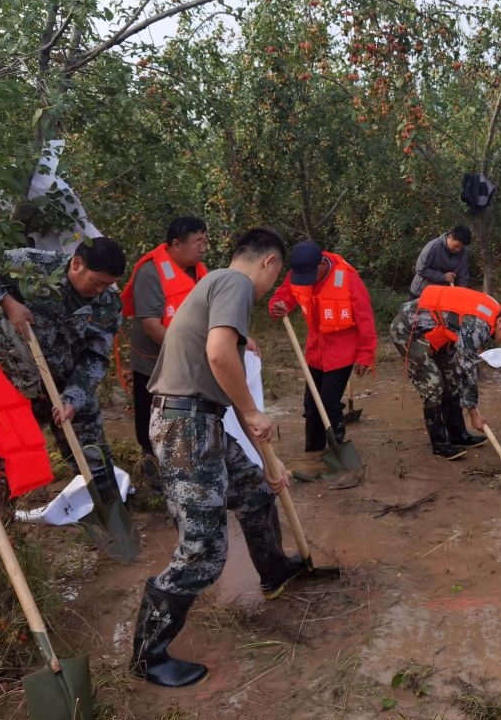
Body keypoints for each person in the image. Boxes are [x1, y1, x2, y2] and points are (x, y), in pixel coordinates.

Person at [130, 227, 300, 688]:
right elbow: (221, 355)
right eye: (276, 274)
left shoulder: (215, 285)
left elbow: (228, 384)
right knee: (204, 551)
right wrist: (250, 410)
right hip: (185, 427)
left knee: (256, 491)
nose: (270, 286)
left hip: (200, 420)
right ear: (268, 262)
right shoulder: (235, 283)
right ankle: (149, 654)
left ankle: (276, 571)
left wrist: (270, 462)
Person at [0, 238, 126, 498]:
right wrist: (8, 303)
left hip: (69, 387)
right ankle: (3, 527)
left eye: (108, 284)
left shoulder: (109, 304)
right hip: (18, 385)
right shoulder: (32, 265)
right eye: (97, 282)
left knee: (95, 462)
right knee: (7, 462)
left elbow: (96, 357)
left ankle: (107, 519)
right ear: (77, 263)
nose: (101, 290)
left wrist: (73, 399)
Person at [390, 285, 501, 459]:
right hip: (408, 330)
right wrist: (473, 413)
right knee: (433, 383)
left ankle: (457, 434)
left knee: (452, 379)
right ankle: (440, 444)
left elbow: (462, 365)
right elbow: (467, 368)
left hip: (437, 333)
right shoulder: (478, 325)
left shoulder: (495, 313)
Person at [268, 241, 377, 465]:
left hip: (342, 354)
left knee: (328, 401)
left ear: (321, 265)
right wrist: (278, 305)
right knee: (310, 404)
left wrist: (365, 355)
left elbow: (365, 319)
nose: (306, 280)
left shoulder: (347, 278)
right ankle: (314, 450)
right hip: (315, 351)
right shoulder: (299, 271)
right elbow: (284, 296)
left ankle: (337, 446)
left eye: (310, 274)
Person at [121, 216, 209, 490]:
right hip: (154, 363)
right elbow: (151, 326)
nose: (203, 248)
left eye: (205, 241)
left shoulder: (198, 271)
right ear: (176, 245)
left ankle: (186, 465)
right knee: (151, 418)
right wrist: (187, 352)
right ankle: (153, 469)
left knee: (185, 415)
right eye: (198, 242)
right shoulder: (150, 274)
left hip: (188, 360)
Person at [409, 225, 471, 298]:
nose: (458, 250)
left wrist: (461, 293)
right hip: (422, 293)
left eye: (462, 247)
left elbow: (462, 275)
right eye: (457, 246)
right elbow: (420, 269)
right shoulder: (433, 246)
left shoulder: (464, 252)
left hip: (442, 295)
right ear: (450, 237)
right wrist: (443, 277)